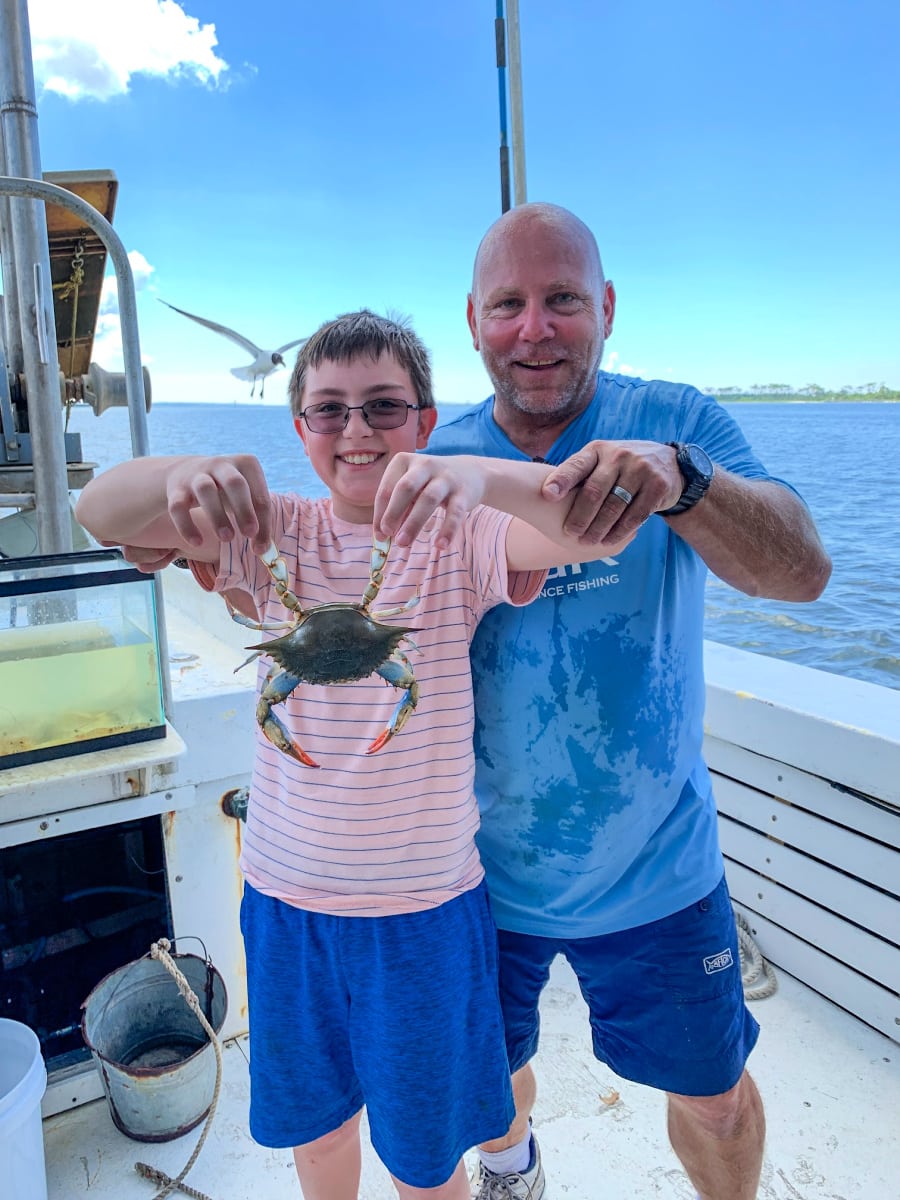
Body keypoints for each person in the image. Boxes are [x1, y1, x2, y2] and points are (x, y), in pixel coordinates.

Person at [73, 309, 635, 1200]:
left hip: (424, 912)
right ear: (299, 428)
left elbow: (592, 528)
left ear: (423, 421)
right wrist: (186, 473)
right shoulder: (266, 536)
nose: (357, 429)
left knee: (424, 1147)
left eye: (384, 406)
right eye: (329, 410)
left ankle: (506, 1163)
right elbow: (94, 510)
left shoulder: (456, 533)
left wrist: (469, 474)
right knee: (319, 1130)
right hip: (287, 903)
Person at [426, 203, 832, 1200]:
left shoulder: (677, 422)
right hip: (471, 871)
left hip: (660, 867)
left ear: (604, 307)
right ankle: (513, 1170)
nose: (536, 328)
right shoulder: (437, 454)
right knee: (491, 1075)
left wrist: (686, 484)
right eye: (509, 304)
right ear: (472, 320)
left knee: (717, 1099)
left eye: (562, 299)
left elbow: (801, 571)